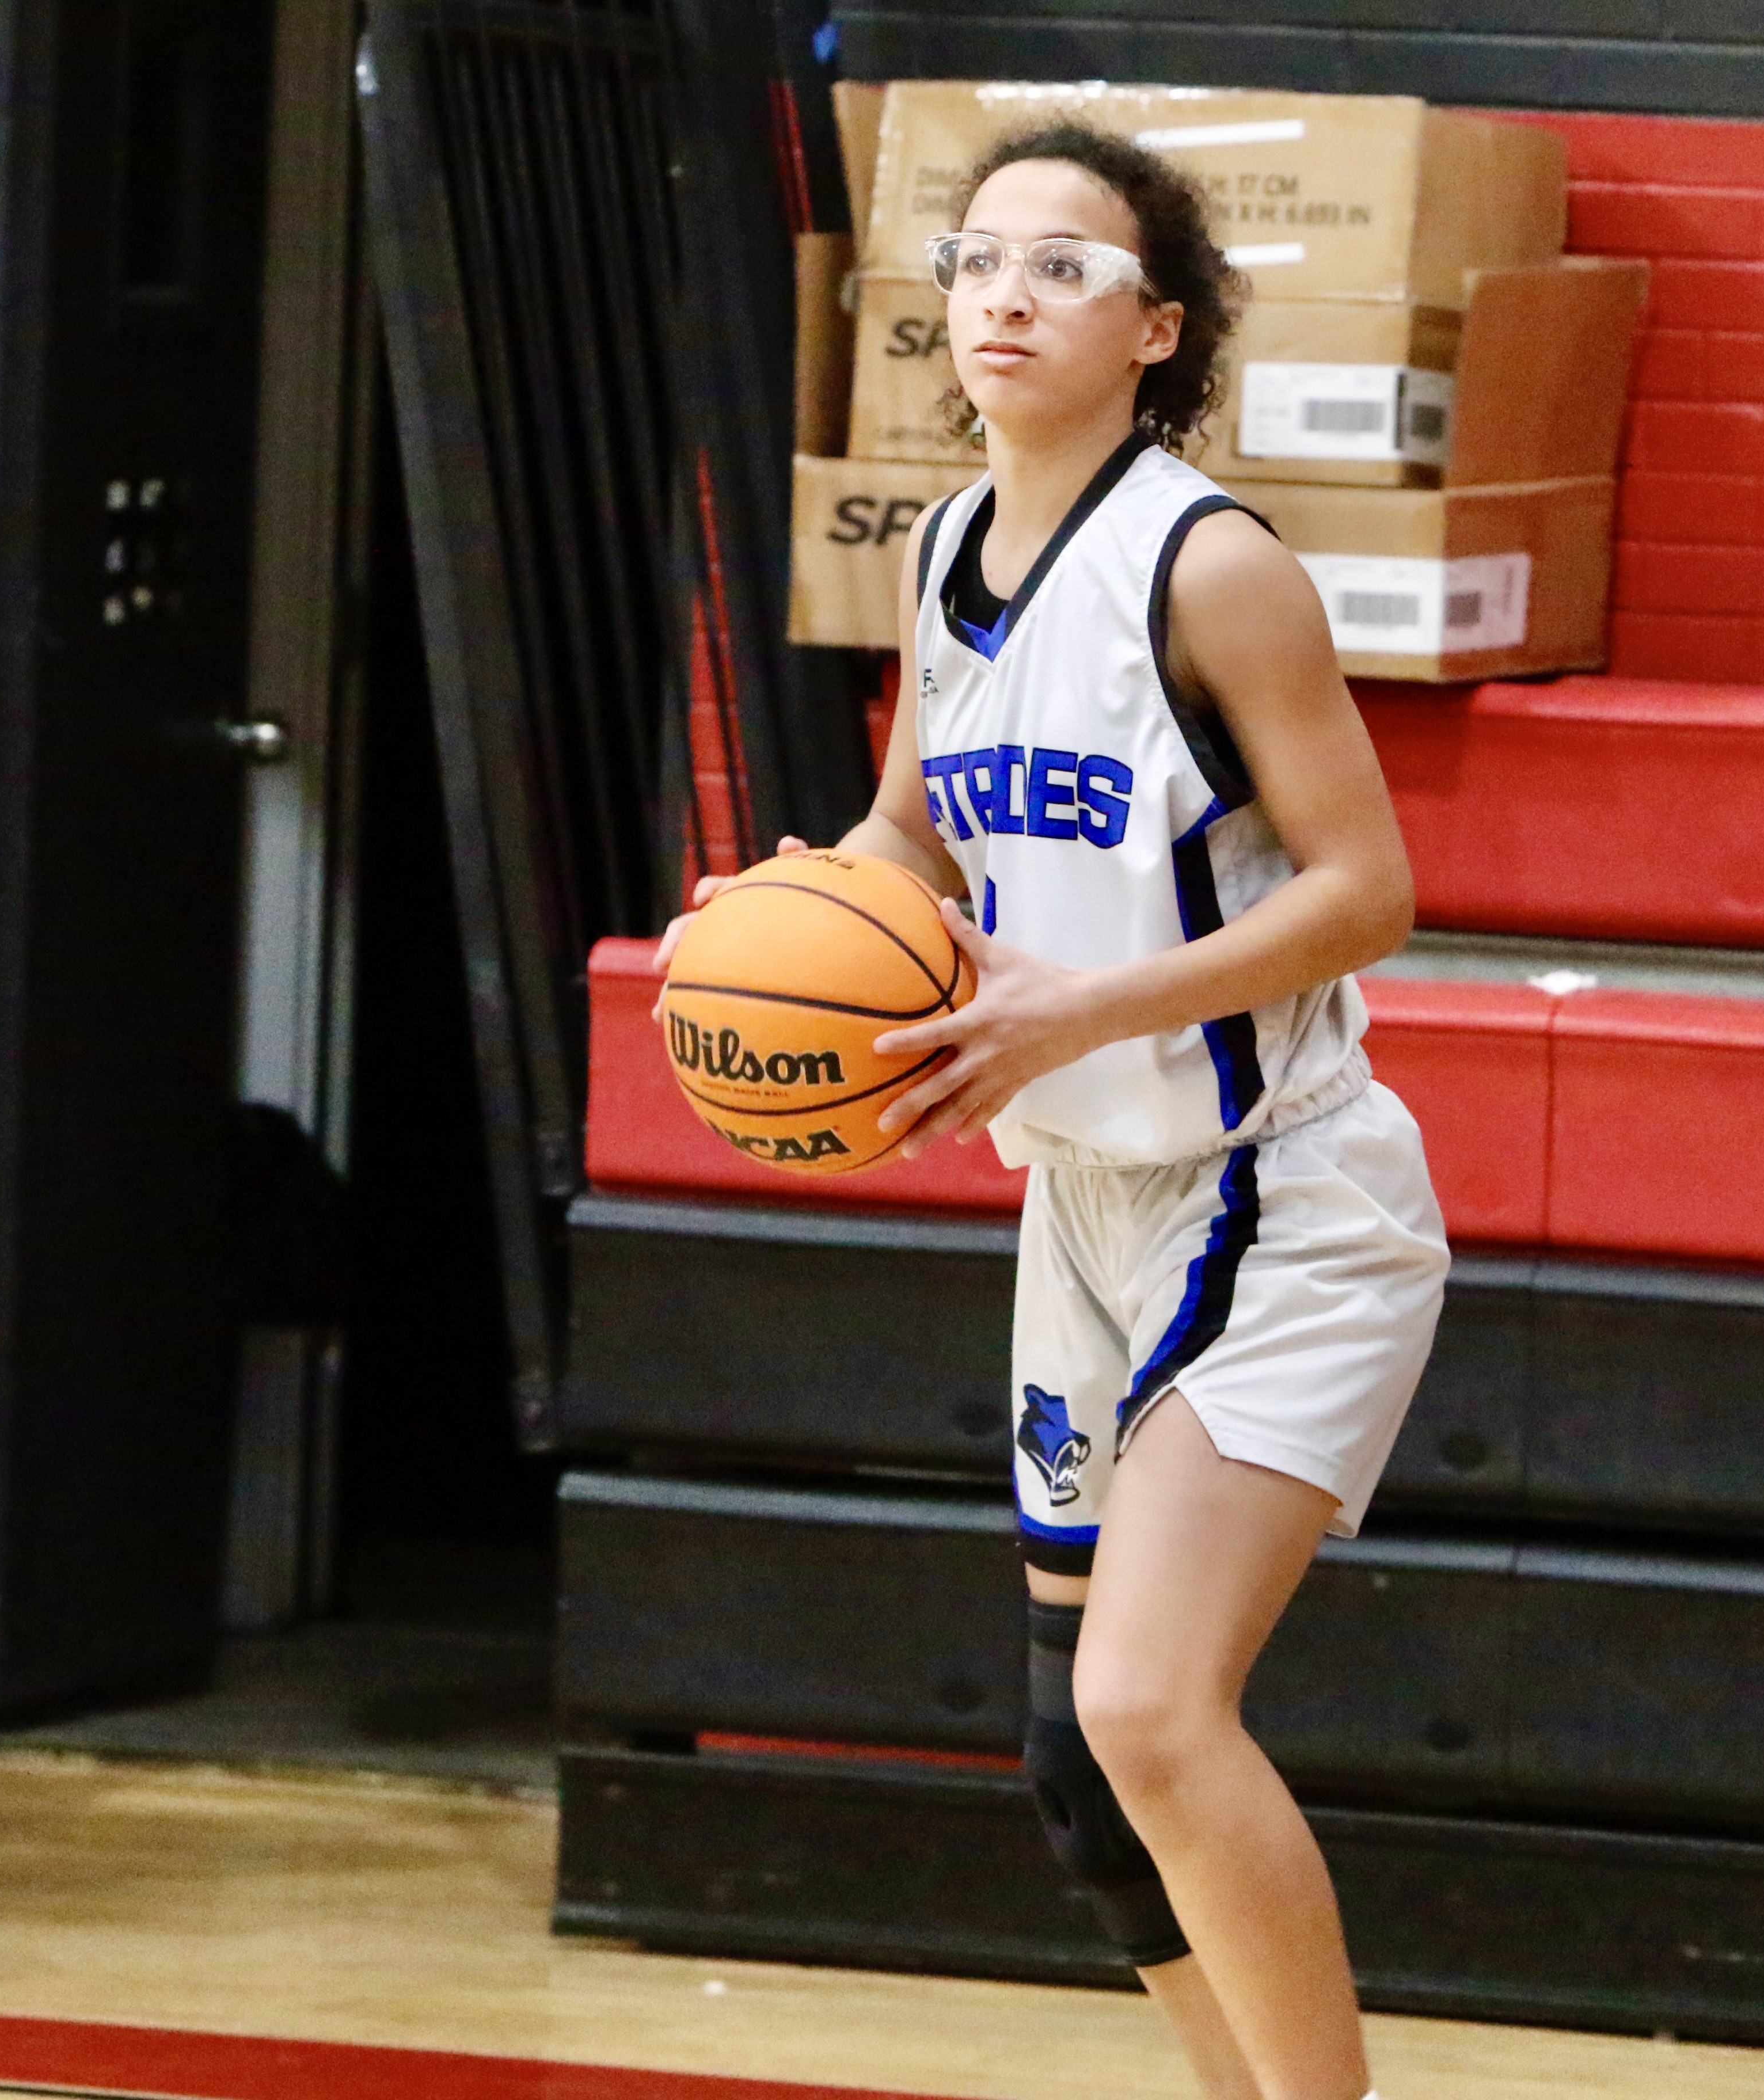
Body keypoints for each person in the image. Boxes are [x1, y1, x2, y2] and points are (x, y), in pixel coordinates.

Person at [662, 121, 1446, 2100]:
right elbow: (913, 832)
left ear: (1157, 325)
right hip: (1081, 1205)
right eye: (980, 257)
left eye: (1065, 268)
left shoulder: (1214, 564)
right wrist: (781, 928)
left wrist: (1076, 1004)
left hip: (1279, 1195)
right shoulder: (940, 553)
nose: (1005, 293)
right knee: (1074, 1770)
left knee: (1152, 1708)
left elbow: (1370, 893)